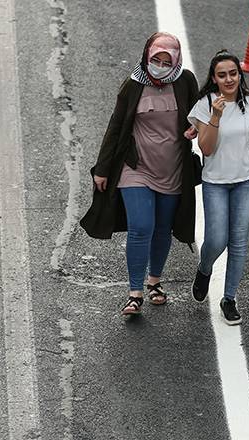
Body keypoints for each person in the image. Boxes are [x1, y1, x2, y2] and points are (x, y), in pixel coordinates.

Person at [80, 32, 200, 316]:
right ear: (147, 57)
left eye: (165, 60)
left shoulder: (186, 82)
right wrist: (103, 168)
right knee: (141, 227)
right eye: (155, 59)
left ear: (176, 60)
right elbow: (116, 126)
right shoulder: (132, 85)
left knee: (162, 229)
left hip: (172, 170)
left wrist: (198, 128)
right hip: (136, 169)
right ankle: (135, 293)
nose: (159, 65)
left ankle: (154, 281)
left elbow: (200, 115)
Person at [188, 50, 249, 325]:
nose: (229, 79)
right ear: (214, 78)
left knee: (239, 242)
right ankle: (204, 269)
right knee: (217, 240)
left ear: (239, 75)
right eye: (222, 75)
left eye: (233, 73)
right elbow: (206, 148)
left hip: (246, 181)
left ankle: (229, 298)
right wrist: (216, 117)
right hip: (215, 183)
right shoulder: (205, 105)